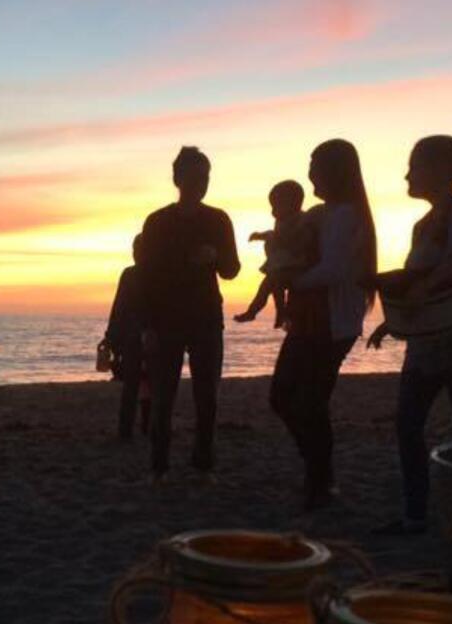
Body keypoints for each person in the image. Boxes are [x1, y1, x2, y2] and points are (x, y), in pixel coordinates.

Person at [366, 136, 452, 535]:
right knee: (409, 424)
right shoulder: (423, 224)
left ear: (437, 169)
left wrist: (421, 291)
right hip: (427, 342)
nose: (408, 174)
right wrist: (394, 319)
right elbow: (420, 277)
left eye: (414, 166)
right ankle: (416, 513)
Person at [264, 139, 375, 511]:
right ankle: (318, 474)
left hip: (330, 324)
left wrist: (289, 281)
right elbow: (290, 234)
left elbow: (334, 270)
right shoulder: (322, 213)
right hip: (309, 321)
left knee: (306, 401)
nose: (309, 173)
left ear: (336, 172)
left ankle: (320, 479)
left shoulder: (347, 216)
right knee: (289, 398)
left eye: (316, 166)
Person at [137, 146, 240, 482]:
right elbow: (146, 276)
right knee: (163, 396)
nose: (200, 184)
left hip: (206, 318)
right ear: (177, 179)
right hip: (165, 320)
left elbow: (232, 270)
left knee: (206, 395)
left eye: (205, 178)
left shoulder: (218, 219)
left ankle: (203, 464)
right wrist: (147, 325)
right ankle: (159, 466)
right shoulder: (157, 222)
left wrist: (216, 255)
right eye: (194, 178)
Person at [234, 180, 317, 328]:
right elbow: (274, 235)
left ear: (293, 204)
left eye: (276, 206)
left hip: (295, 265)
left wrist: (284, 241)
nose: (273, 212)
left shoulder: (302, 220)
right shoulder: (281, 221)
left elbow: (304, 240)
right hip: (280, 266)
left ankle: (281, 311)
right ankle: (253, 311)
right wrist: (260, 235)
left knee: (276, 283)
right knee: (265, 286)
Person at [102, 234, 149, 441]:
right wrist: (110, 338)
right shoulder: (136, 274)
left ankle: (129, 430)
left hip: (137, 338)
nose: (136, 254)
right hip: (139, 338)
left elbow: (119, 308)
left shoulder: (132, 275)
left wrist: (111, 338)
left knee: (135, 386)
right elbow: (119, 307)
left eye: (137, 250)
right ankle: (141, 428)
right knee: (144, 385)